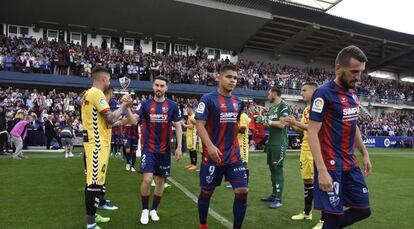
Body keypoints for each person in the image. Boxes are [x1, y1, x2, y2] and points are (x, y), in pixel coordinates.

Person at [307, 45, 372, 229]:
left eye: (361, 72)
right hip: (330, 166)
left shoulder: (352, 92)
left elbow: (353, 125)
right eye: (354, 72)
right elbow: (312, 132)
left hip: (350, 164)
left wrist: (364, 153)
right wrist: (322, 171)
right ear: (338, 68)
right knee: (333, 217)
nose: (358, 77)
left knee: (363, 209)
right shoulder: (323, 93)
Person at [124, 75, 183, 225]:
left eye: (162, 86)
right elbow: (133, 121)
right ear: (153, 86)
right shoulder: (144, 104)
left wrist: (179, 147)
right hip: (148, 149)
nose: (159, 88)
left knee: (160, 181)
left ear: (166, 88)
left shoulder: (172, 105)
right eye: (157, 85)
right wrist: (127, 108)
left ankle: (154, 209)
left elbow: (177, 125)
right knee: (148, 179)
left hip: (164, 150)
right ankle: (144, 209)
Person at [195, 64, 248, 229]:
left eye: (235, 78)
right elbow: (200, 124)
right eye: (229, 77)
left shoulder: (238, 102)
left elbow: (234, 121)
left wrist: (238, 128)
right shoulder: (208, 99)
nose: (233, 80)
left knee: (242, 191)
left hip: (233, 156)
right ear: (219, 77)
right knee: (206, 192)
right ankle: (203, 224)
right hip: (212, 156)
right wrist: (210, 146)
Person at [81, 66, 131, 229]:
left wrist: (119, 120)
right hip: (96, 145)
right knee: (94, 184)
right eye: (108, 80)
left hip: (97, 143)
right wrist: (123, 105)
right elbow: (109, 118)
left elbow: (104, 122)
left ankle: (94, 215)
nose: (109, 82)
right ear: (103, 79)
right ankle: (91, 224)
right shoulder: (96, 93)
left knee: (95, 182)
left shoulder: (90, 93)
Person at [285, 82, 325, 229]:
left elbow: (316, 128)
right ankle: (307, 213)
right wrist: (292, 124)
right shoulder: (306, 110)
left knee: (321, 184)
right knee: (307, 182)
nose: (301, 93)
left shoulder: (320, 108)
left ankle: (324, 219)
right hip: (305, 149)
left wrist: (296, 123)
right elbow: (303, 131)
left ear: (313, 92)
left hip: (317, 149)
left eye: (304, 90)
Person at [257, 86, 292, 209]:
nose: (268, 96)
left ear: (274, 93)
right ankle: (274, 194)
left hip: (279, 143)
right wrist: (262, 121)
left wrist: (266, 120)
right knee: (272, 169)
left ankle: (278, 198)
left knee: (277, 170)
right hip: (271, 142)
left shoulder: (284, 107)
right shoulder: (272, 108)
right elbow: (271, 124)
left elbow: (282, 124)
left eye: (269, 93)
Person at [184, 105, 201, 170]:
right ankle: (191, 163)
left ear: (191, 109)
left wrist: (184, 125)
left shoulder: (193, 116)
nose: (187, 110)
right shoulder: (189, 116)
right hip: (189, 135)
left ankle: (194, 164)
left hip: (192, 136)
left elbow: (191, 126)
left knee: (193, 150)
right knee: (190, 150)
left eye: (187, 109)